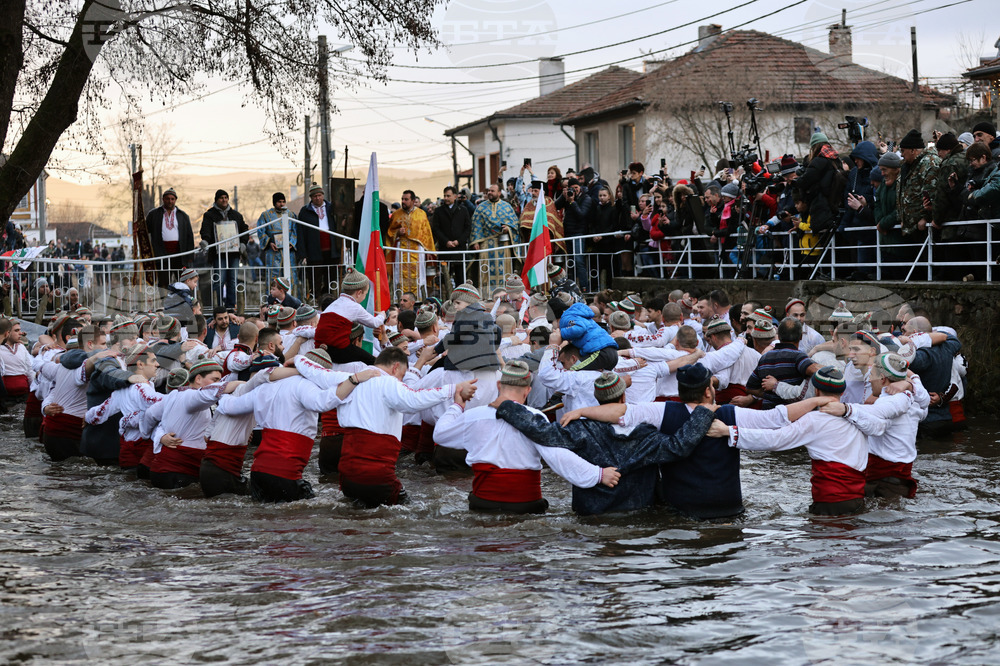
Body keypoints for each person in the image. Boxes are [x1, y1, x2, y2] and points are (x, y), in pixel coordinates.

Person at [434, 361, 620, 514]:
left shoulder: (473, 416)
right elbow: (556, 456)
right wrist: (598, 474)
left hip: (483, 502)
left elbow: (440, 435)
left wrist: (457, 407)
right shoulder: (535, 417)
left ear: (499, 385)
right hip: (525, 504)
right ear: (528, 390)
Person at [301, 346, 477, 507]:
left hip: (346, 477)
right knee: (410, 514)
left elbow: (315, 371)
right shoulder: (389, 383)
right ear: (395, 368)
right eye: (402, 375)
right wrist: (453, 389)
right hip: (376, 477)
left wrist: (295, 361)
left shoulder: (347, 378)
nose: (401, 380)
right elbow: (414, 399)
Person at [210, 353, 363, 501]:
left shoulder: (265, 387)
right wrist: (353, 381)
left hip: (258, 473)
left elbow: (230, 407)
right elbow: (323, 402)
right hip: (284, 474)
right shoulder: (305, 385)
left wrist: (220, 393)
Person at [723, 366, 869, 516]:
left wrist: (730, 432)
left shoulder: (813, 420)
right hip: (858, 498)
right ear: (843, 392)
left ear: (816, 391)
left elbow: (775, 440)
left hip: (830, 500)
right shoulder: (859, 414)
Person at [820, 353, 928, 499]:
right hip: (899, 477)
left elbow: (876, 413)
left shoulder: (893, 400)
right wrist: (910, 382)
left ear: (883, 379)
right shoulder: (914, 396)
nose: (869, 380)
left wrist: (845, 409)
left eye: (871, 375)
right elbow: (922, 392)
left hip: (883, 482)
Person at [315, 268, 386, 365]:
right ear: (359, 293)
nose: (365, 296)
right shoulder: (355, 307)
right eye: (365, 294)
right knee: (373, 362)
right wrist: (382, 315)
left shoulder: (335, 303)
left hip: (320, 347)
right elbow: (375, 323)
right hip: (339, 349)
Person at [199, 189, 247, 309]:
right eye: (221, 198)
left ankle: (231, 306)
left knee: (232, 280)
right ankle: (218, 306)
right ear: (216, 200)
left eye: (226, 197)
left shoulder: (236, 215)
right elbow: (206, 229)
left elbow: (244, 230)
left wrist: (243, 244)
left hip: (234, 253)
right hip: (218, 254)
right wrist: (205, 240)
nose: (224, 200)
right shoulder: (209, 215)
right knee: (219, 279)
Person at [547, 292, 619, 371]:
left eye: (552, 323)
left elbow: (579, 328)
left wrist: (562, 334)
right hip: (609, 352)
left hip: (600, 351)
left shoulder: (567, 319)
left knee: (573, 370)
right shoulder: (577, 317)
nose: (554, 327)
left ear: (556, 319)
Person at [470, 184, 519, 294]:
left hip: (503, 242)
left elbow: (515, 224)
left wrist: (508, 228)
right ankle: (486, 294)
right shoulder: (481, 208)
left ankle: (505, 294)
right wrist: (476, 242)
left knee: (503, 270)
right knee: (485, 269)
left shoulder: (507, 207)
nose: (489, 193)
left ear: (499, 193)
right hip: (486, 243)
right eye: (488, 191)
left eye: (492, 191)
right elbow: (476, 226)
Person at [896, 129, 940, 249]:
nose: (901, 154)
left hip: (923, 227)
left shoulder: (929, 163)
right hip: (910, 227)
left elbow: (932, 192)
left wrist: (926, 217)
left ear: (913, 150)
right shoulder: (909, 166)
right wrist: (902, 218)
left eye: (903, 151)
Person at [387, 190, 435, 296]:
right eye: (402, 199)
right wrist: (397, 232)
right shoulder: (396, 214)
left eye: (406, 199)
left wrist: (429, 252)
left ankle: (418, 297)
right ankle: (400, 297)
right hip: (401, 248)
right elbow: (389, 232)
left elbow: (427, 235)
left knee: (419, 275)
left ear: (413, 201)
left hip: (417, 249)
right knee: (399, 274)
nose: (403, 201)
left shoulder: (421, 214)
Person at [297, 184, 341, 299]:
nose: (317, 198)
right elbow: (301, 232)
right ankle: (315, 300)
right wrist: (303, 253)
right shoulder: (305, 211)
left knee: (331, 277)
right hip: (314, 249)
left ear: (323, 195)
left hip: (331, 249)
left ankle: (329, 300)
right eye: (315, 196)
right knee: (315, 277)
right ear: (311, 197)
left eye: (319, 195)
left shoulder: (332, 208)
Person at [146, 188, 195, 288]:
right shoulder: (154, 214)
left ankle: (184, 303)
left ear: (175, 200)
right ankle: (165, 303)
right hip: (161, 254)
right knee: (163, 282)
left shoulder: (183, 216)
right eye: (167, 198)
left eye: (172, 199)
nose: (170, 201)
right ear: (163, 199)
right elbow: (146, 231)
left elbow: (189, 236)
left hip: (180, 254)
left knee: (183, 282)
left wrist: (190, 256)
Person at [431, 186, 472, 286]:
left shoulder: (463, 210)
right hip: (445, 249)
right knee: (444, 279)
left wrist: (459, 241)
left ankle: (461, 299)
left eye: (448, 196)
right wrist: (446, 241)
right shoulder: (438, 211)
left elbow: (468, 228)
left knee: (460, 278)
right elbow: (436, 229)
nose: (445, 198)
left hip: (459, 250)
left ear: (455, 196)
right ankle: (445, 299)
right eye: (444, 196)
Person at [256, 193, 298, 292]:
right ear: (274, 203)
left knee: (291, 275)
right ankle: (272, 301)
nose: (282, 204)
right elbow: (260, 231)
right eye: (279, 202)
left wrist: (291, 243)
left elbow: (296, 230)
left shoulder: (291, 214)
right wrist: (269, 242)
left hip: (289, 251)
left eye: (283, 202)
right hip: (273, 251)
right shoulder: (265, 215)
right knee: (272, 276)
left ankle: (291, 299)